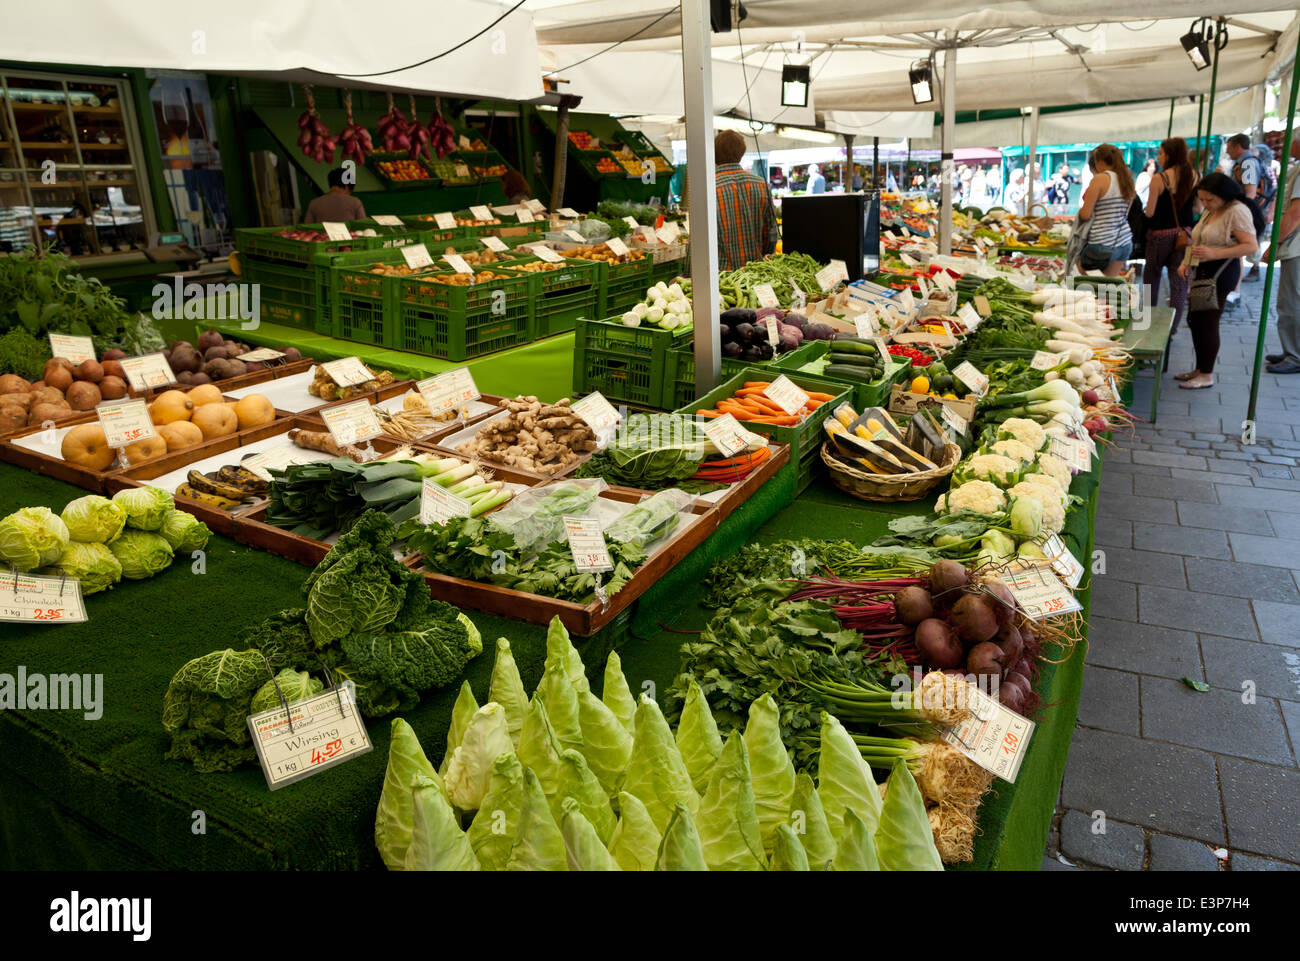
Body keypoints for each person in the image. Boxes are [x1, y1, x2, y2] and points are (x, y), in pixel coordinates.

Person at [1174, 172, 1263, 389]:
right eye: (1202, 199)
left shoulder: (1237, 211)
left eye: (1209, 199)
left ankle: (1206, 374)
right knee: (1195, 320)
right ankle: (1200, 368)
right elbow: (1198, 239)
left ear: (1223, 195)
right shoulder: (1212, 210)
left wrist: (1214, 254)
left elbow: (1251, 246)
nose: (1205, 203)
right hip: (1203, 270)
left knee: (1207, 322)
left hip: (1220, 273)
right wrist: (1187, 261)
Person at [1143, 138, 1196, 338]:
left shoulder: (1159, 179)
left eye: (1161, 153)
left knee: (1151, 279)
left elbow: (1150, 212)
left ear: (1169, 155)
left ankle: (1146, 322)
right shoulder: (1195, 176)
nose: (1159, 156)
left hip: (1160, 237)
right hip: (1186, 236)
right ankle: (1172, 330)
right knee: (1180, 282)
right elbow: (1198, 208)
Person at [713, 129, 779, 272]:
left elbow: (698, 239)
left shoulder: (709, 188)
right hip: (755, 272)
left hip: (722, 276)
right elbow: (771, 231)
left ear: (714, 154)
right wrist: (764, 257)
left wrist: (688, 273)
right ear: (741, 153)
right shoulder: (761, 184)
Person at [1266, 137, 1300, 373]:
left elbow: (1295, 213)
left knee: (1291, 301)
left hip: (1296, 245)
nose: (1290, 144)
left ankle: (1295, 354)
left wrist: (1275, 243)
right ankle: (1292, 350)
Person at [1076, 144, 1136, 276]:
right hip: (1124, 241)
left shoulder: (1100, 179)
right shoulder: (1126, 180)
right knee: (1106, 287)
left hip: (1101, 243)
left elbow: (1085, 214)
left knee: (1084, 284)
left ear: (1100, 161)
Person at [1226, 133, 1271, 293]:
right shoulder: (1246, 162)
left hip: (1248, 212)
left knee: (1238, 252)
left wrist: (1239, 214)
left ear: (1238, 147)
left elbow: (1250, 192)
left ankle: (1234, 292)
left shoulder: (1247, 164)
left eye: (1229, 147)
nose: (1227, 151)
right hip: (1249, 211)